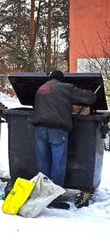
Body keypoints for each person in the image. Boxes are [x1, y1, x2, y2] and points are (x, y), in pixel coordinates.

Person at [32, 70, 96, 207]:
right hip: (57, 129)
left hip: (39, 129)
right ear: (61, 79)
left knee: (44, 164)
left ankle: (43, 195)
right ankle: (54, 199)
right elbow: (88, 98)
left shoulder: (41, 88)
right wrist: (93, 93)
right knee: (58, 164)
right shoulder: (65, 87)